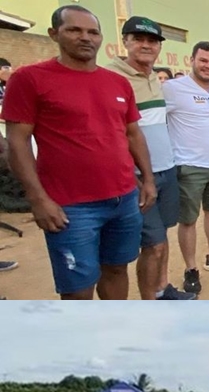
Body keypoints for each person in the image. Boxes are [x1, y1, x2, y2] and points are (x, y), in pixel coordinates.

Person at [4, 4, 155, 300]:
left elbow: (133, 134)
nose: (85, 37)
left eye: (92, 32)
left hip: (123, 200)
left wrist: (147, 179)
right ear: (54, 33)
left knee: (116, 270)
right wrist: (37, 199)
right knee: (78, 288)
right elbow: (17, 142)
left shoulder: (117, 82)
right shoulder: (30, 79)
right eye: (74, 30)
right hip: (70, 207)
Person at [106, 17, 195, 300]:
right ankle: (150, 305)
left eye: (152, 41)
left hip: (166, 171)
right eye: (138, 39)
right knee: (153, 244)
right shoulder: (111, 78)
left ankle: (161, 289)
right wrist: (136, 175)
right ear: (126, 41)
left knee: (162, 239)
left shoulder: (155, 78)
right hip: (138, 177)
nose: (146, 45)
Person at [162, 41, 209, 295]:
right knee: (188, 220)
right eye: (203, 60)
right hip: (188, 166)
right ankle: (190, 268)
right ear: (191, 60)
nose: (208, 66)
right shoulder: (172, 89)